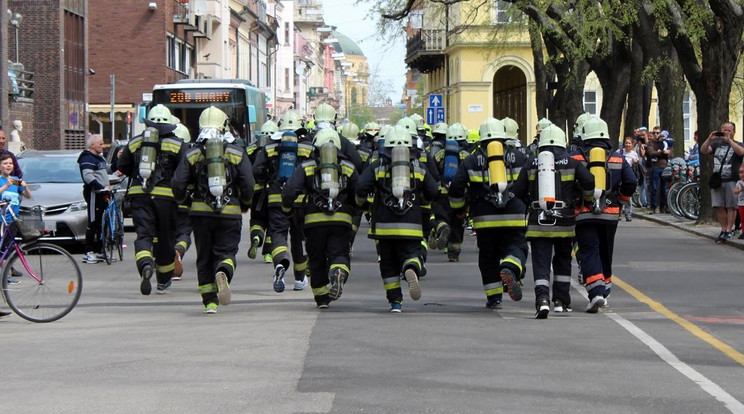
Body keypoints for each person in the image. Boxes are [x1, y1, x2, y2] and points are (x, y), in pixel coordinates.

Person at [171, 106, 254, 314]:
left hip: (200, 213)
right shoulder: (236, 152)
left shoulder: (192, 153)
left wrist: (186, 201)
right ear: (223, 126)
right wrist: (244, 203)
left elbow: (177, 183)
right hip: (230, 212)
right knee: (226, 252)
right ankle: (223, 270)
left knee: (204, 256)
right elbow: (249, 183)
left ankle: (209, 302)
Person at [512, 123, 594, 318]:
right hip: (564, 221)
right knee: (563, 260)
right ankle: (561, 300)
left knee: (541, 262)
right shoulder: (572, 163)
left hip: (538, 220)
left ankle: (542, 301)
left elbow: (517, 191)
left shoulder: (532, 163)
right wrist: (585, 199)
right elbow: (589, 181)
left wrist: (532, 203)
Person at [355, 125, 439, 312]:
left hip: (384, 226)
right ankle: (411, 268)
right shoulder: (419, 167)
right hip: (411, 225)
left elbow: (361, 187)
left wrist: (365, 205)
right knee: (412, 254)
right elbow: (433, 191)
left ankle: (395, 302)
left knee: (388, 263)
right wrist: (422, 199)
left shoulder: (377, 166)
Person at [448, 117, 529, 310]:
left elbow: (456, 187)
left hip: (484, 219)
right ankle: (509, 268)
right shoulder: (519, 157)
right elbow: (529, 184)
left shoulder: (470, 160)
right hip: (514, 216)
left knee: (488, 256)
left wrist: (459, 210)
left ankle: (494, 299)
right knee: (517, 247)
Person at [281, 128, 358, 308]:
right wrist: (355, 209)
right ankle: (338, 271)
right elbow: (359, 191)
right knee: (339, 252)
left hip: (314, 222)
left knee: (316, 259)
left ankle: (322, 298)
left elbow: (290, 190)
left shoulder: (307, 166)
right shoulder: (348, 167)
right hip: (341, 220)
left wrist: (287, 209)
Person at [117, 104, 187, 295]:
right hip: (167, 199)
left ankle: (145, 264)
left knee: (144, 235)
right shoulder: (178, 144)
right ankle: (163, 281)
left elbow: (121, 166)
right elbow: (185, 172)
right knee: (165, 239)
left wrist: (139, 173)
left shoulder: (136, 142)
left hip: (140, 196)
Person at [570, 116, 637, 312]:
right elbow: (631, 181)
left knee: (589, 250)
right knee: (606, 252)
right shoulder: (618, 157)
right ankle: (605, 289)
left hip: (583, 212)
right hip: (610, 214)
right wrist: (622, 200)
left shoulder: (575, 157)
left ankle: (596, 291)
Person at [700, 121, 744, 243]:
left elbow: (741, 152)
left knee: (731, 206)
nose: (726, 132)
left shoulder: (739, 144)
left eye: (729, 130)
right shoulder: (716, 144)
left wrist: (730, 141)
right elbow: (704, 150)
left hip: (732, 179)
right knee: (719, 205)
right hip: (718, 180)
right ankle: (723, 229)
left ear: (734, 132)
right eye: (724, 130)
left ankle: (729, 230)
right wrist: (709, 139)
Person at [77, 134, 110, 264]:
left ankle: (101, 251)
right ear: (92, 145)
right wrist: (100, 187)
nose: (103, 146)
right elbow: (88, 176)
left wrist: (120, 163)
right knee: (93, 222)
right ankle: (88, 252)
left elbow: (107, 168)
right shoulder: (87, 158)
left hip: (102, 193)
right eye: (100, 144)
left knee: (101, 223)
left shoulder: (99, 158)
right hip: (94, 193)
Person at [0, 153, 31, 286]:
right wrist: (6, 185)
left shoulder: (15, 180)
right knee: (2, 249)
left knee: (8, 249)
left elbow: (28, 196)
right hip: (1, 221)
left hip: (13, 221)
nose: (8, 165)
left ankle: (6, 276)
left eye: (10, 163)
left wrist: (24, 186)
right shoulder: (3, 181)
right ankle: (4, 277)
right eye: (5, 163)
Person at [646, 127, 670, 214]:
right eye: (654, 133)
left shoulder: (665, 142)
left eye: (657, 133)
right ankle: (653, 207)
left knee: (664, 189)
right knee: (654, 188)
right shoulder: (650, 143)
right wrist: (662, 152)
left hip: (664, 167)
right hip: (655, 167)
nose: (656, 134)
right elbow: (651, 153)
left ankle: (662, 207)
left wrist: (662, 152)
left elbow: (670, 152)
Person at [619, 136, 641, 221]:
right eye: (626, 143)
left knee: (628, 196)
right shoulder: (620, 152)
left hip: (629, 178)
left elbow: (637, 166)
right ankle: (619, 213)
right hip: (620, 177)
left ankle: (628, 214)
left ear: (632, 145)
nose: (627, 145)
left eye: (629, 143)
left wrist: (636, 162)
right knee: (619, 195)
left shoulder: (634, 154)